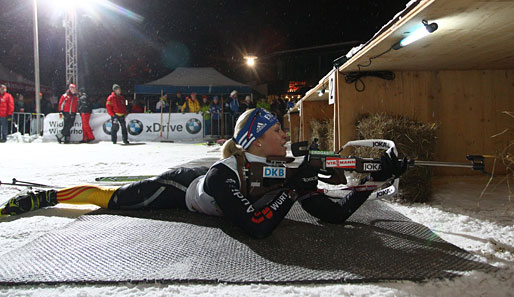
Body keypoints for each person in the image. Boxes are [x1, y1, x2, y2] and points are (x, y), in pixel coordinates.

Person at [1, 108, 407, 239]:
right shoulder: (221, 175)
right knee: (117, 198)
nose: (286, 136)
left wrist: (372, 181)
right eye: (279, 131)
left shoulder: (283, 168)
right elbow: (254, 226)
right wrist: (291, 190)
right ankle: (48, 196)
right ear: (257, 140)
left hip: (229, 176)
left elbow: (334, 216)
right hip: (183, 185)